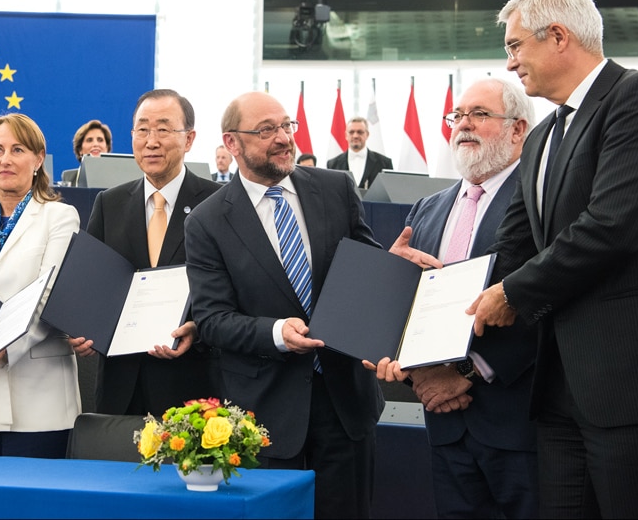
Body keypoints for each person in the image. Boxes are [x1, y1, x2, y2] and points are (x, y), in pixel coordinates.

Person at [184, 91, 438, 519]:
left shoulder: (335, 188)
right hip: (264, 416)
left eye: (287, 126)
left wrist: (387, 267)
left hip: (345, 406)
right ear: (232, 143)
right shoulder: (207, 221)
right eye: (267, 130)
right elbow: (212, 320)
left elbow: (362, 272)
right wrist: (275, 333)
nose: (283, 138)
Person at [467, 0, 638, 518]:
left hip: (627, 386)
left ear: (557, 36)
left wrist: (511, 292)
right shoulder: (539, 137)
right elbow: (513, 247)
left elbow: (612, 226)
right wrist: (437, 294)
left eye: (514, 47)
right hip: (555, 389)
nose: (509, 64)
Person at [368, 79, 539, 518]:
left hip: (518, 424)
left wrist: (469, 371)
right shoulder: (428, 209)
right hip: (443, 424)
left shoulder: (540, 201)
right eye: (457, 115)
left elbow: (548, 299)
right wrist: (411, 371)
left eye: (479, 114)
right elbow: (407, 308)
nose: (463, 124)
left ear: (518, 129)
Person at [74, 89, 219, 417]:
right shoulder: (109, 204)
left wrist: (198, 327)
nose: (151, 141)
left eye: (164, 129)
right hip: (121, 388)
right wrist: (81, 328)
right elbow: (91, 286)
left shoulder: (217, 204)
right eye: (142, 129)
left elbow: (235, 291)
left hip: (192, 388)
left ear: (189, 138)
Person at [0, 113, 81, 457]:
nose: (5, 159)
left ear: (38, 159)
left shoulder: (60, 217)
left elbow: (49, 296)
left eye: (17, 149)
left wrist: (4, 348)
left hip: (39, 398)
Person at [326, 117, 392, 189]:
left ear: (367, 134)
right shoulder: (332, 164)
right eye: (351, 132)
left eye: (360, 132)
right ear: (346, 135)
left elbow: (390, 191)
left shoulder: (384, 163)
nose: (355, 136)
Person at [61, 119, 113, 186]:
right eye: (89, 140)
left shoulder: (118, 176)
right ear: (80, 150)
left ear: (107, 148)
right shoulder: (68, 178)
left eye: (100, 140)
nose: (95, 144)